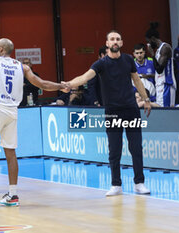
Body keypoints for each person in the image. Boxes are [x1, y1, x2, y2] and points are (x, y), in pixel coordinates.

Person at [0, 38, 68, 207]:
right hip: (13, 111)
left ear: (0, 49)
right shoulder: (22, 67)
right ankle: (13, 194)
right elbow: (42, 84)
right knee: (11, 153)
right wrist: (61, 85)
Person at [64, 30, 151, 196]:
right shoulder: (101, 64)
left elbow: (137, 80)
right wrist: (69, 83)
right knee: (115, 149)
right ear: (107, 43)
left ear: (122, 43)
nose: (115, 41)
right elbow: (85, 77)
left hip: (131, 109)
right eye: (112, 39)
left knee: (136, 148)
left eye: (118, 39)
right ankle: (116, 184)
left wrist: (146, 100)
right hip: (112, 111)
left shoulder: (128, 60)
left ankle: (139, 182)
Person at [146, 22, 176, 107]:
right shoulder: (158, 50)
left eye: (148, 42)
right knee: (161, 109)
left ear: (152, 39)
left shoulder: (165, 48)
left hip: (166, 84)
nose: (148, 45)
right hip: (160, 85)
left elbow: (159, 69)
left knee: (167, 111)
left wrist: (152, 54)